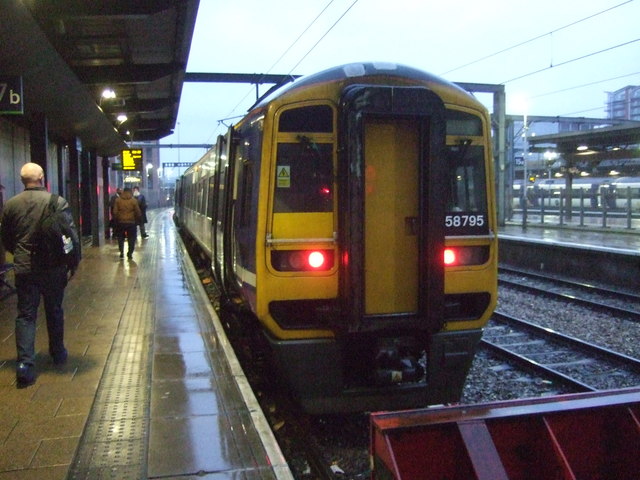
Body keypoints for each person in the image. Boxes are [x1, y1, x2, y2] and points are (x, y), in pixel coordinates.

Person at [0, 163, 80, 387]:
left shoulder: (11, 205)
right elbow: (70, 235)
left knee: (26, 315)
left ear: (22, 179)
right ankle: (57, 352)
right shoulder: (57, 202)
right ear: (43, 178)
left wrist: (18, 254)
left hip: (25, 268)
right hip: (54, 268)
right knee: (54, 309)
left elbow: (6, 237)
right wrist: (73, 263)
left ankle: (25, 364)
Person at [112, 187, 141, 259]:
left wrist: (116, 219)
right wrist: (138, 219)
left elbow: (115, 212)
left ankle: (121, 252)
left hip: (120, 222)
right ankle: (130, 253)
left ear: (123, 192)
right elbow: (138, 212)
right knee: (131, 238)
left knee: (120, 237)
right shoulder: (133, 201)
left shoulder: (118, 200)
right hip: (131, 223)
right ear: (130, 192)